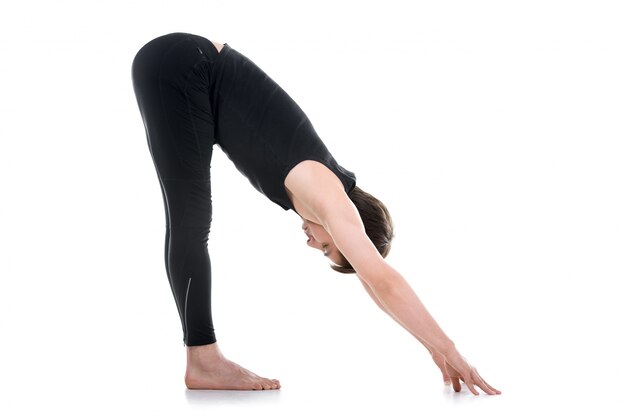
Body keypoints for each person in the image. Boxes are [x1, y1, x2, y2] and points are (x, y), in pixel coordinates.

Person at [131, 32, 501, 395]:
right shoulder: (328, 194)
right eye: (327, 248)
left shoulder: (318, 192)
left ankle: (203, 359)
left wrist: (430, 346)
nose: (312, 245)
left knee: (190, 220)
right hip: (185, 63)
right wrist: (450, 348)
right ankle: (204, 360)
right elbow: (382, 278)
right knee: (191, 221)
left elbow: (371, 282)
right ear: (348, 228)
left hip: (183, 68)